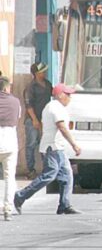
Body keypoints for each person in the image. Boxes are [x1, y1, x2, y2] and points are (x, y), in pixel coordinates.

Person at [14, 83, 82, 215]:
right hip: (53, 147)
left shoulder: (54, 107)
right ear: (60, 95)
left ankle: (65, 204)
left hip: (57, 147)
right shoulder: (55, 107)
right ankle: (21, 195)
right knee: (49, 175)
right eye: (67, 94)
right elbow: (62, 127)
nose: (69, 97)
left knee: (66, 176)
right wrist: (74, 144)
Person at [23, 62, 52, 179]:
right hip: (32, 120)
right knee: (31, 144)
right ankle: (31, 170)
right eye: (42, 71)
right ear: (36, 73)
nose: (44, 73)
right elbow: (28, 105)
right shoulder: (30, 87)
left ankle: (47, 168)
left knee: (45, 144)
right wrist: (35, 120)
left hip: (46, 120)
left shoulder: (48, 84)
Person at [0, 76, 20, 221]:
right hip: (10, 140)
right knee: (9, 177)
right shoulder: (15, 102)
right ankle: (8, 209)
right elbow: (17, 118)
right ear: (7, 88)